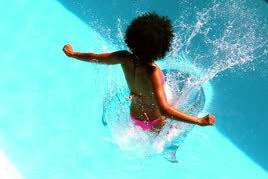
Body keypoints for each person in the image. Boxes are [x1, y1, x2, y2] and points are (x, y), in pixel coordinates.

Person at [63, 12, 215, 132]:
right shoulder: (152, 72)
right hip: (154, 121)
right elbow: (165, 110)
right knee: (169, 135)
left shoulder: (123, 57)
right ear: (160, 48)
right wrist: (199, 121)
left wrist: (73, 54)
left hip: (135, 115)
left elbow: (96, 58)